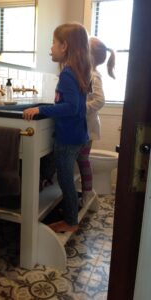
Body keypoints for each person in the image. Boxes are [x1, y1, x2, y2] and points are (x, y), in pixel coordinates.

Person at [23, 23, 91, 233]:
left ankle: (70, 221)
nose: (50, 48)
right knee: (63, 176)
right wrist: (46, 108)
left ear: (64, 46)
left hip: (68, 138)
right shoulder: (77, 72)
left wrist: (41, 109)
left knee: (65, 180)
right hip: (77, 136)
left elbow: (71, 107)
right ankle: (66, 210)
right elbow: (74, 106)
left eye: (53, 42)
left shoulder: (68, 74)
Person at [77, 37, 115, 205]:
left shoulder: (92, 76)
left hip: (87, 125)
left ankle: (87, 193)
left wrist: (79, 108)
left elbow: (99, 100)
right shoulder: (86, 74)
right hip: (85, 125)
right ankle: (86, 192)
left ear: (88, 54)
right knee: (82, 159)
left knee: (83, 160)